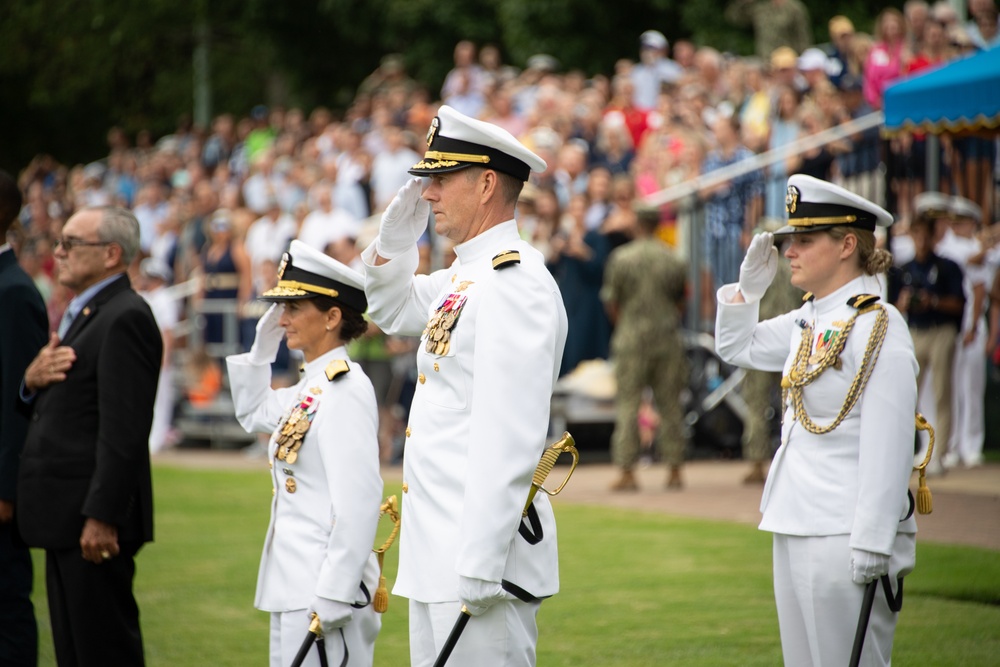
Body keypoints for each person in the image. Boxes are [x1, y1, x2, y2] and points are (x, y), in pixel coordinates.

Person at [361, 105, 568, 666]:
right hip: (439, 555)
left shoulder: (513, 282)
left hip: (481, 560)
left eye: (441, 180)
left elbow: (510, 437)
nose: (427, 194)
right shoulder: (464, 276)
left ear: (485, 184)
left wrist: (479, 561)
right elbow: (389, 305)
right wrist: (395, 237)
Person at [715, 174, 919, 666]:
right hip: (796, 516)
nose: (790, 251)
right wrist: (748, 290)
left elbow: (889, 444)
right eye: (790, 240)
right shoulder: (813, 318)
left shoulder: (880, 326)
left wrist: (873, 539)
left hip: (845, 529)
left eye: (805, 240)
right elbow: (735, 347)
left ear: (848, 243)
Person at [227, 240, 383, 667]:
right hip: (295, 582)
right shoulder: (311, 386)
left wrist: (335, 590)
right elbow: (253, 411)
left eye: (295, 308)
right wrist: (262, 349)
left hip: (324, 586)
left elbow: (359, 501)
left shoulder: (344, 388)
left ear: (332, 316)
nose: (283, 318)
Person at [18, 206, 162, 666]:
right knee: (75, 650)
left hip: (90, 521)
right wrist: (29, 382)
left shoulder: (125, 316)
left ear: (111, 254)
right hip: (66, 514)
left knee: (102, 651)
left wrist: (102, 515)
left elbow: (124, 430)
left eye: (71, 243)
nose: (58, 252)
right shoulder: (91, 312)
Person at [601, 205, 688, 491]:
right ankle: (675, 469)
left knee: (628, 404)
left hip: (631, 336)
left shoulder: (621, 257)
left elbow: (611, 301)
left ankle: (627, 470)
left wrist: (625, 324)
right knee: (670, 404)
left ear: (637, 224)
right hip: (666, 336)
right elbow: (681, 300)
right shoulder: (672, 258)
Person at [0, 169, 47, 667]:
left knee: (7, 610)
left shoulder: (13, 291)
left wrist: (6, 488)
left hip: (1, 493)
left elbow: (19, 397)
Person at [888, 195, 965, 476]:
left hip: (941, 330)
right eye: (916, 233)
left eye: (924, 234)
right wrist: (906, 303)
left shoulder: (947, 266)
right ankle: (906, 451)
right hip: (915, 331)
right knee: (907, 393)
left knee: (942, 392)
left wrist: (933, 301)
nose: (920, 239)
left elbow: (958, 302)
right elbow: (893, 306)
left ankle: (939, 454)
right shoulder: (905, 269)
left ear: (933, 237)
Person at [725, 0, 812, 60]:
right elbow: (735, 19)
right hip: (765, 63)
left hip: (786, 64)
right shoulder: (762, 9)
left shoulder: (794, 8)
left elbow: (803, 39)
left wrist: (801, 60)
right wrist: (743, 3)